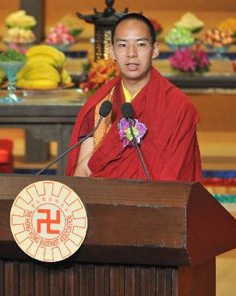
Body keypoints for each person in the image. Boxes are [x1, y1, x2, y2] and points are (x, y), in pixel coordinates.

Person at [66, 13, 202, 181]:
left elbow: (178, 176)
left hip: (156, 203)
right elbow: (84, 169)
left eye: (140, 44)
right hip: (103, 201)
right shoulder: (101, 106)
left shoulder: (178, 107)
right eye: (123, 45)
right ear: (112, 51)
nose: (131, 53)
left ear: (155, 50)